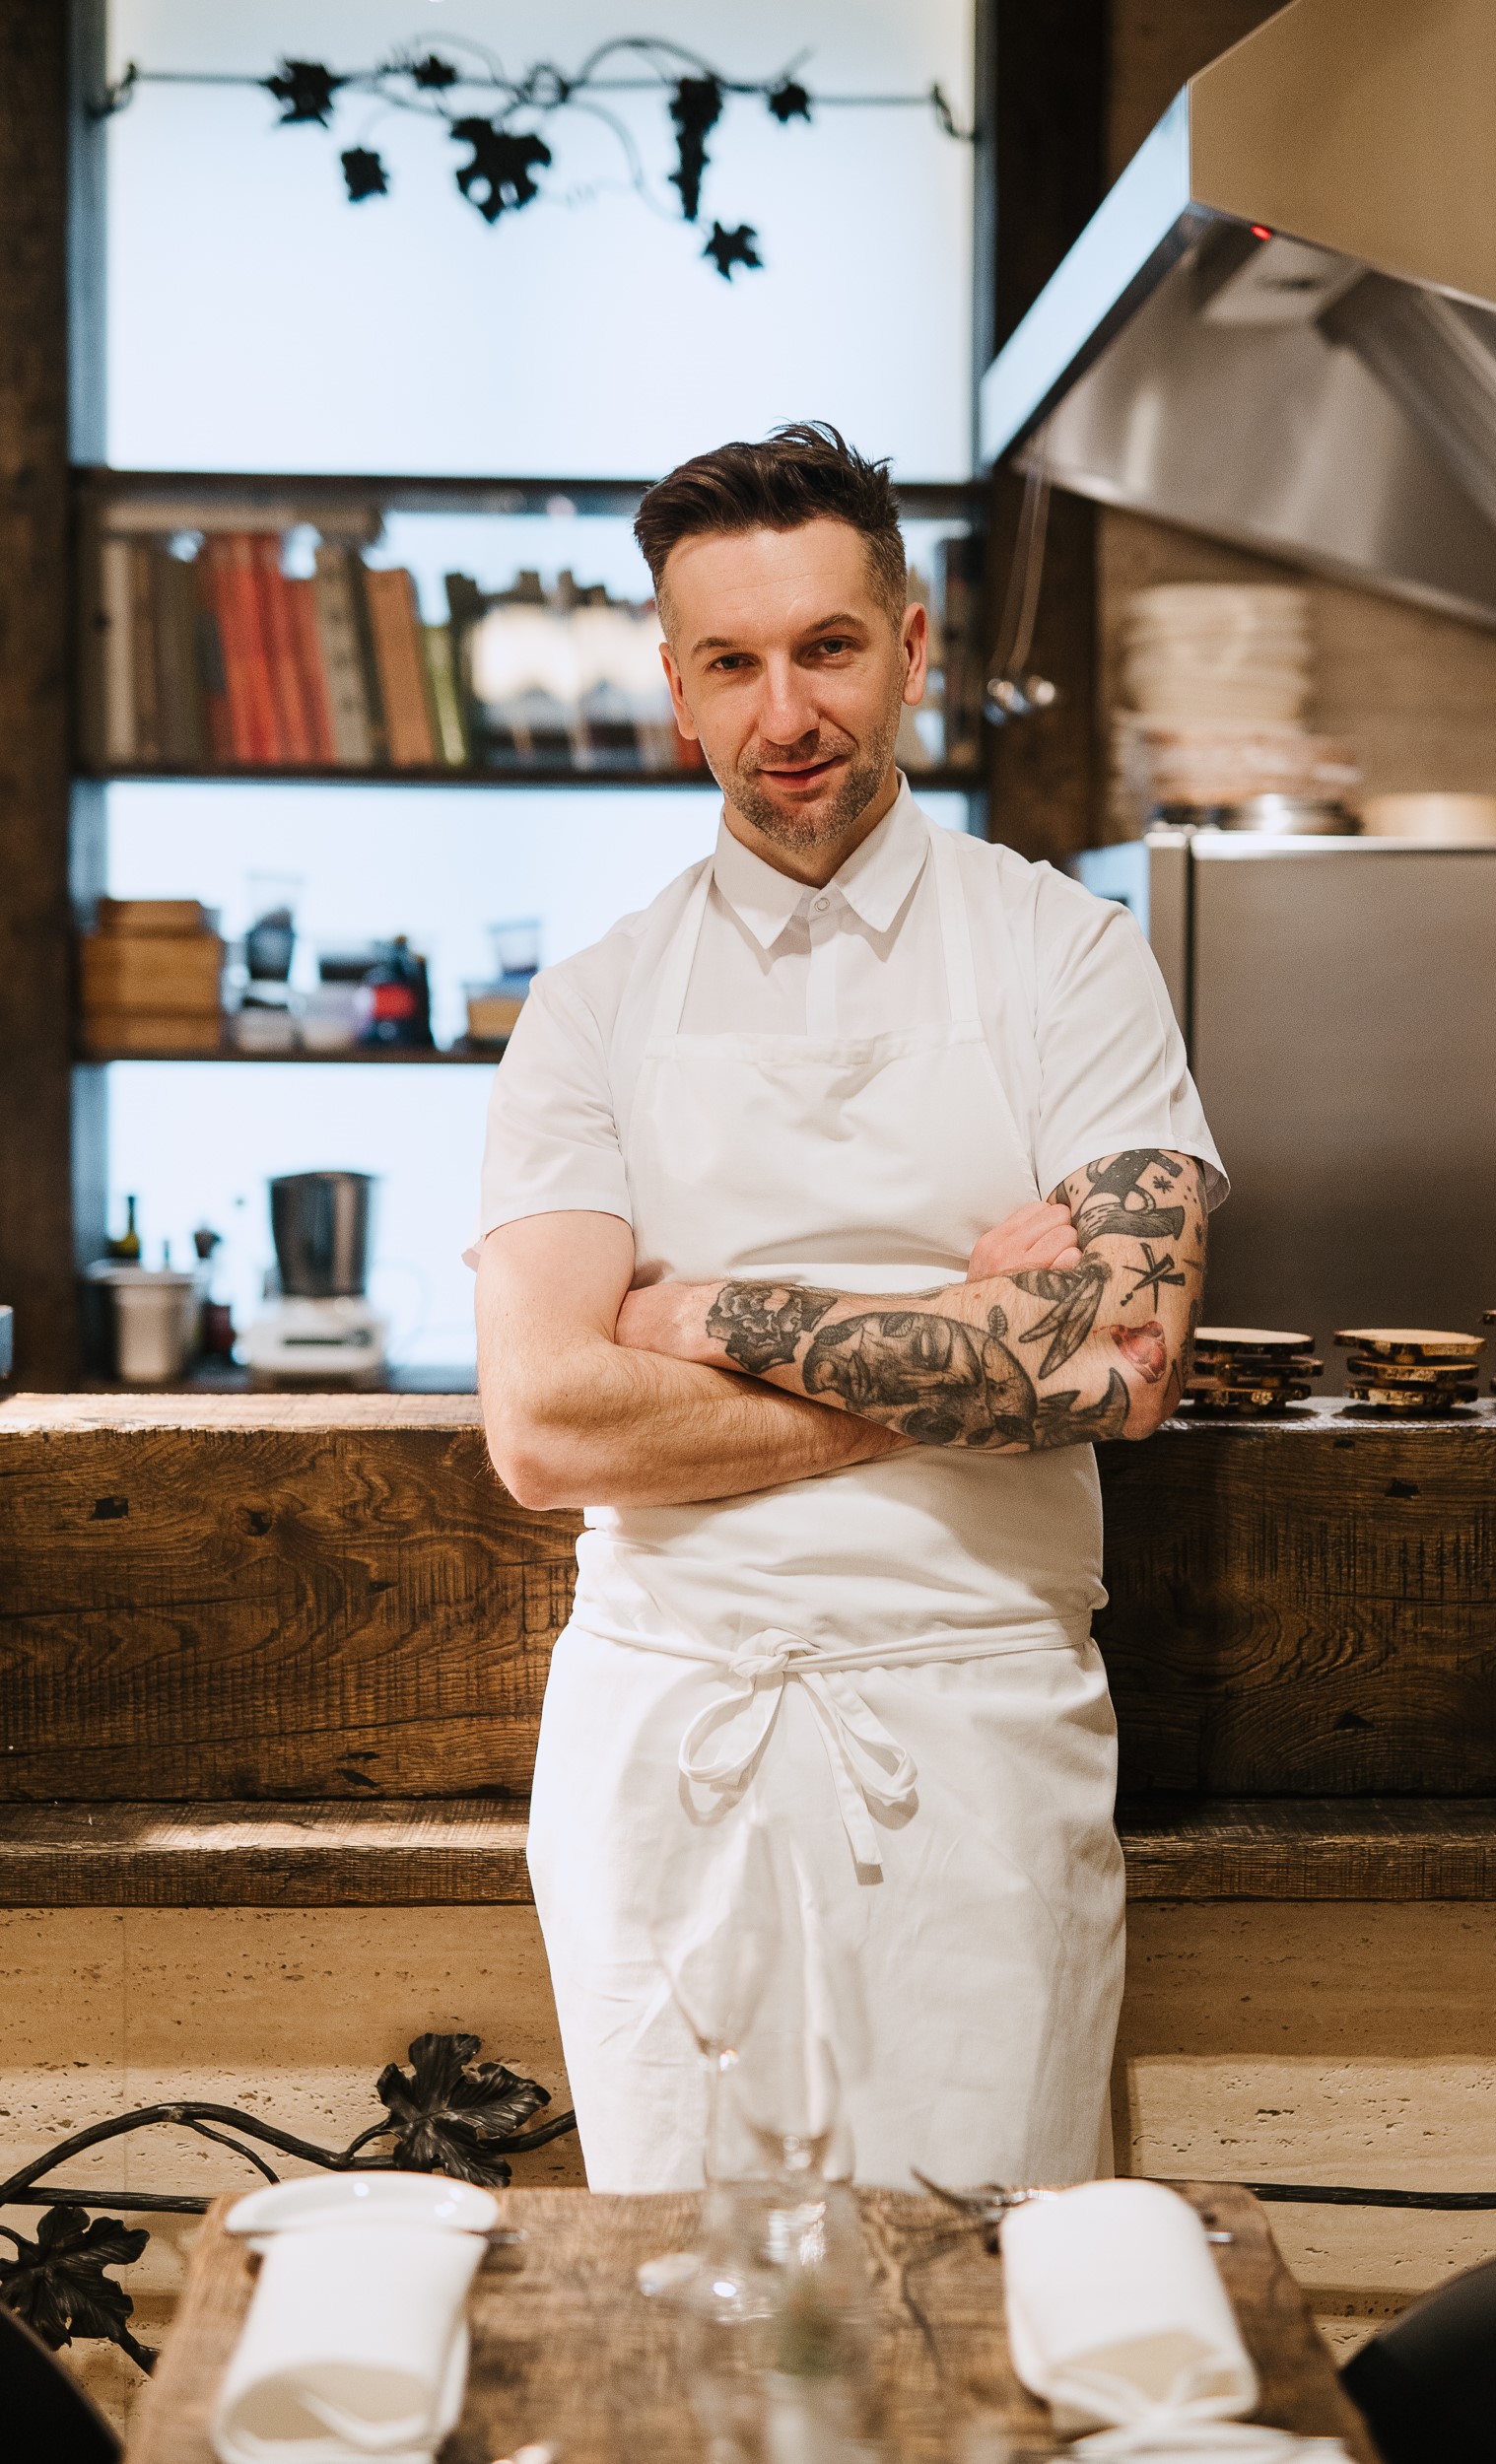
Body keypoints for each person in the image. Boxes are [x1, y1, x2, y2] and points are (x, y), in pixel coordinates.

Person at [474, 423, 1226, 2194]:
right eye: (732, 663)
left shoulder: (1070, 955)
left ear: (912, 645)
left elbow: (1121, 1360)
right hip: (674, 1738)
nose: (787, 712)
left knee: (981, 2285)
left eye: (826, 648)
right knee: (689, 2302)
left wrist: (703, 1311)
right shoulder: (592, 1007)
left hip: (980, 1732)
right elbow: (549, 1427)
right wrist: (963, 1338)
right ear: (677, 689)